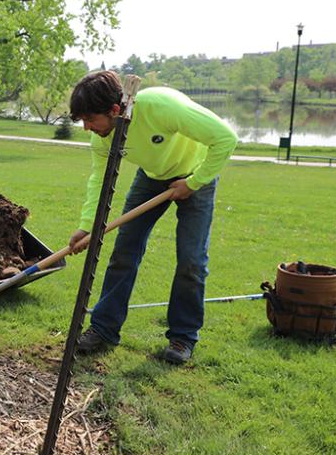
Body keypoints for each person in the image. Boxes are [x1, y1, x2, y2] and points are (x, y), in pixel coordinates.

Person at [67, 71, 238, 364]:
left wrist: (193, 183)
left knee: (191, 260)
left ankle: (183, 337)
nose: (86, 127)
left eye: (90, 119)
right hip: (151, 178)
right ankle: (104, 329)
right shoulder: (103, 138)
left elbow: (226, 138)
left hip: (196, 176)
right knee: (124, 252)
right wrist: (87, 227)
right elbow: (100, 181)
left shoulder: (161, 106)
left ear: (115, 110)